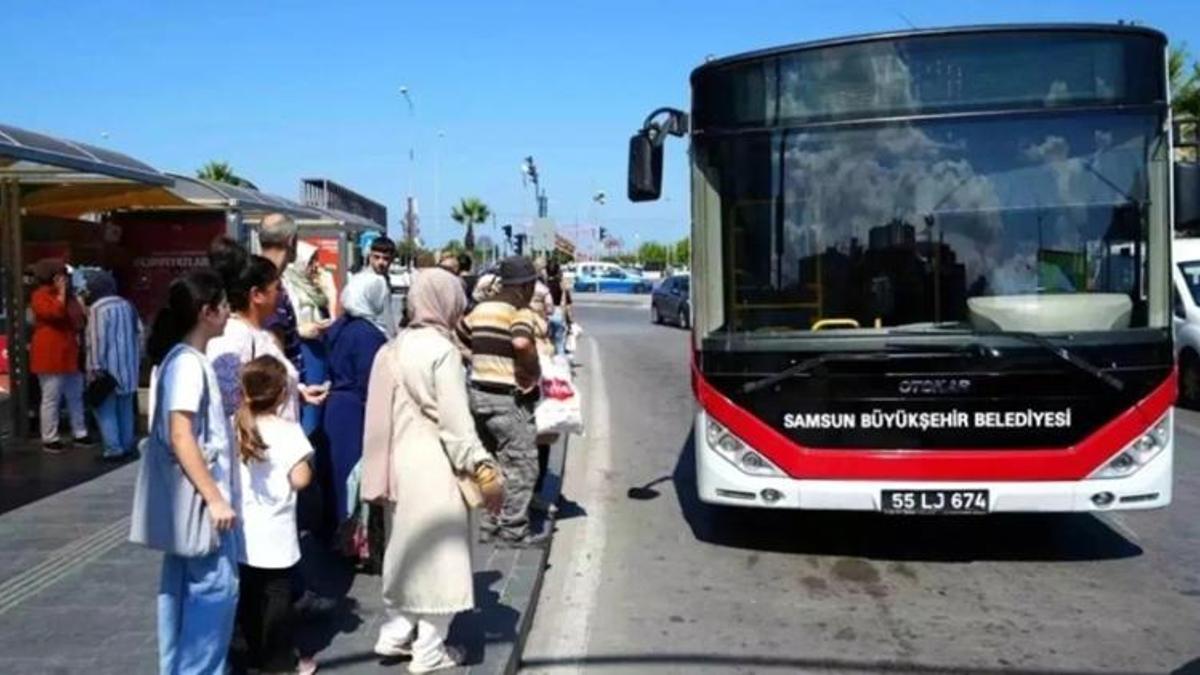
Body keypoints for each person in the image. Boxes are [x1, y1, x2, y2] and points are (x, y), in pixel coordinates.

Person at [362, 267, 504, 672]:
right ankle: (429, 651)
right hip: (436, 464)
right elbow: (456, 425)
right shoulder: (442, 352)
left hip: (397, 464)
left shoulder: (392, 346)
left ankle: (393, 634)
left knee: (407, 551)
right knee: (443, 558)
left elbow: (377, 419)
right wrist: (482, 466)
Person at [143, 269, 239, 674]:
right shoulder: (188, 365)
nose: (229, 311)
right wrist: (215, 498)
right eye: (223, 304)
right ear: (206, 312)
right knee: (213, 596)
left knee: (182, 596)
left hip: (188, 504)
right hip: (202, 505)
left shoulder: (178, 360)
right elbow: (182, 434)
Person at [233, 356, 318, 675]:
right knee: (277, 599)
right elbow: (300, 479)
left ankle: (251, 651)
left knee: (249, 595)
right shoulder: (287, 430)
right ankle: (279, 661)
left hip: (243, 529)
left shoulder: (235, 424)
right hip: (277, 532)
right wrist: (306, 464)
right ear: (282, 393)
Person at [455, 257, 545, 547]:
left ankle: (487, 525)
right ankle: (513, 531)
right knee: (521, 466)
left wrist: (479, 359)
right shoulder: (519, 312)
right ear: (526, 286)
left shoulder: (480, 310)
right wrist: (530, 370)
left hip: (478, 395)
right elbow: (521, 342)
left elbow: (459, 336)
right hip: (508, 400)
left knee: (490, 463)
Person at [320, 272, 390, 538]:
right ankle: (352, 536)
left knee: (337, 475)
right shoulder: (368, 335)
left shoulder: (340, 326)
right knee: (354, 476)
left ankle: (336, 531)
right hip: (356, 409)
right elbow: (368, 378)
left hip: (336, 405)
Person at [30, 258, 94, 453]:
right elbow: (55, 314)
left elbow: (79, 320)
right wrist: (61, 293)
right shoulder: (39, 296)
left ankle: (80, 431)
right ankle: (50, 436)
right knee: (51, 397)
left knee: (75, 394)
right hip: (49, 352)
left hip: (68, 351)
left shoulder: (70, 296)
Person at [83, 270, 142, 460]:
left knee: (105, 409)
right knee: (125, 408)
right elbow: (139, 333)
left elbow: (97, 339)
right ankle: (127, 444)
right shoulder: (127, 305)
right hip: (128, 368)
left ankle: (113, 448)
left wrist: (94, 366)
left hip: (107, 370)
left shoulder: (98, 309)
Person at [285, 241, 337, 436]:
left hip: (319, 350)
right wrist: (304, 329)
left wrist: (330, 292)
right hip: (302, 352)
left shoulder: (314, 286)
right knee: (308, 413)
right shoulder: (289, 287)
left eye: (317, 260)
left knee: (320, 406)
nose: (316, 266)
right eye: (311, 261)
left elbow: (331, 313)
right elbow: (289, 324)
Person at [544, 260, 572, 356]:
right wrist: (570, 321)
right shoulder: (562, 285)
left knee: (547, 344)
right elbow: (568, 305)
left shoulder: (543, 285)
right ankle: (561, 365)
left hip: (546, 315)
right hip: (558, 313)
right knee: (560, 344)